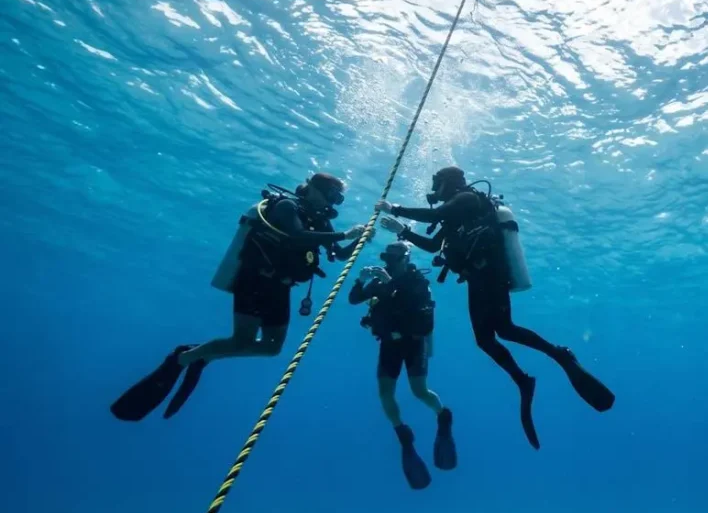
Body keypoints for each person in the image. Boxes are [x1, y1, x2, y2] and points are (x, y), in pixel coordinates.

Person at [373, 166, 614, 450]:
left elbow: (436, 214)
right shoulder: (454, 215)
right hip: (478, 278)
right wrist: (402, 231)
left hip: (491, 274)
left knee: (505, 329)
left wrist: (396, 209)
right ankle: (523, 380)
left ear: (448, 183)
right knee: (486, 339)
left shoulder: (466, 199)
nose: (434, 190)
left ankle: (559, 355)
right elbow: (432, 245)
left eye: (437, 184)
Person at [110, 173, 369, 421]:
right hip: (255, 279)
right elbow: (295, 235)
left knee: (271, 348)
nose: (332, 202)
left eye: (338, 199)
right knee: (242, 339)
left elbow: (338, 254)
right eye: (331, 194)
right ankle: (183, 357)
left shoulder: (322, 221)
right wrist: (346, 234)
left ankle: (205, 355)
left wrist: (360, 240)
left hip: (281, 287)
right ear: (313, 188)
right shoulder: (287, 206)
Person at [347, 241, 456, 490]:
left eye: (395, 258)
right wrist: (360, 280)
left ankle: (443, 416)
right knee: (385, 393)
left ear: (405, 259)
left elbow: (414, 304)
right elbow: (354, 299)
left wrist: (390, 283)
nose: (390, 262)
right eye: (388, 257)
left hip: (414, 342)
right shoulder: (380, 280)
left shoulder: (417, 281)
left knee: (419, 391)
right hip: (389, 344)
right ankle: (402, 434)